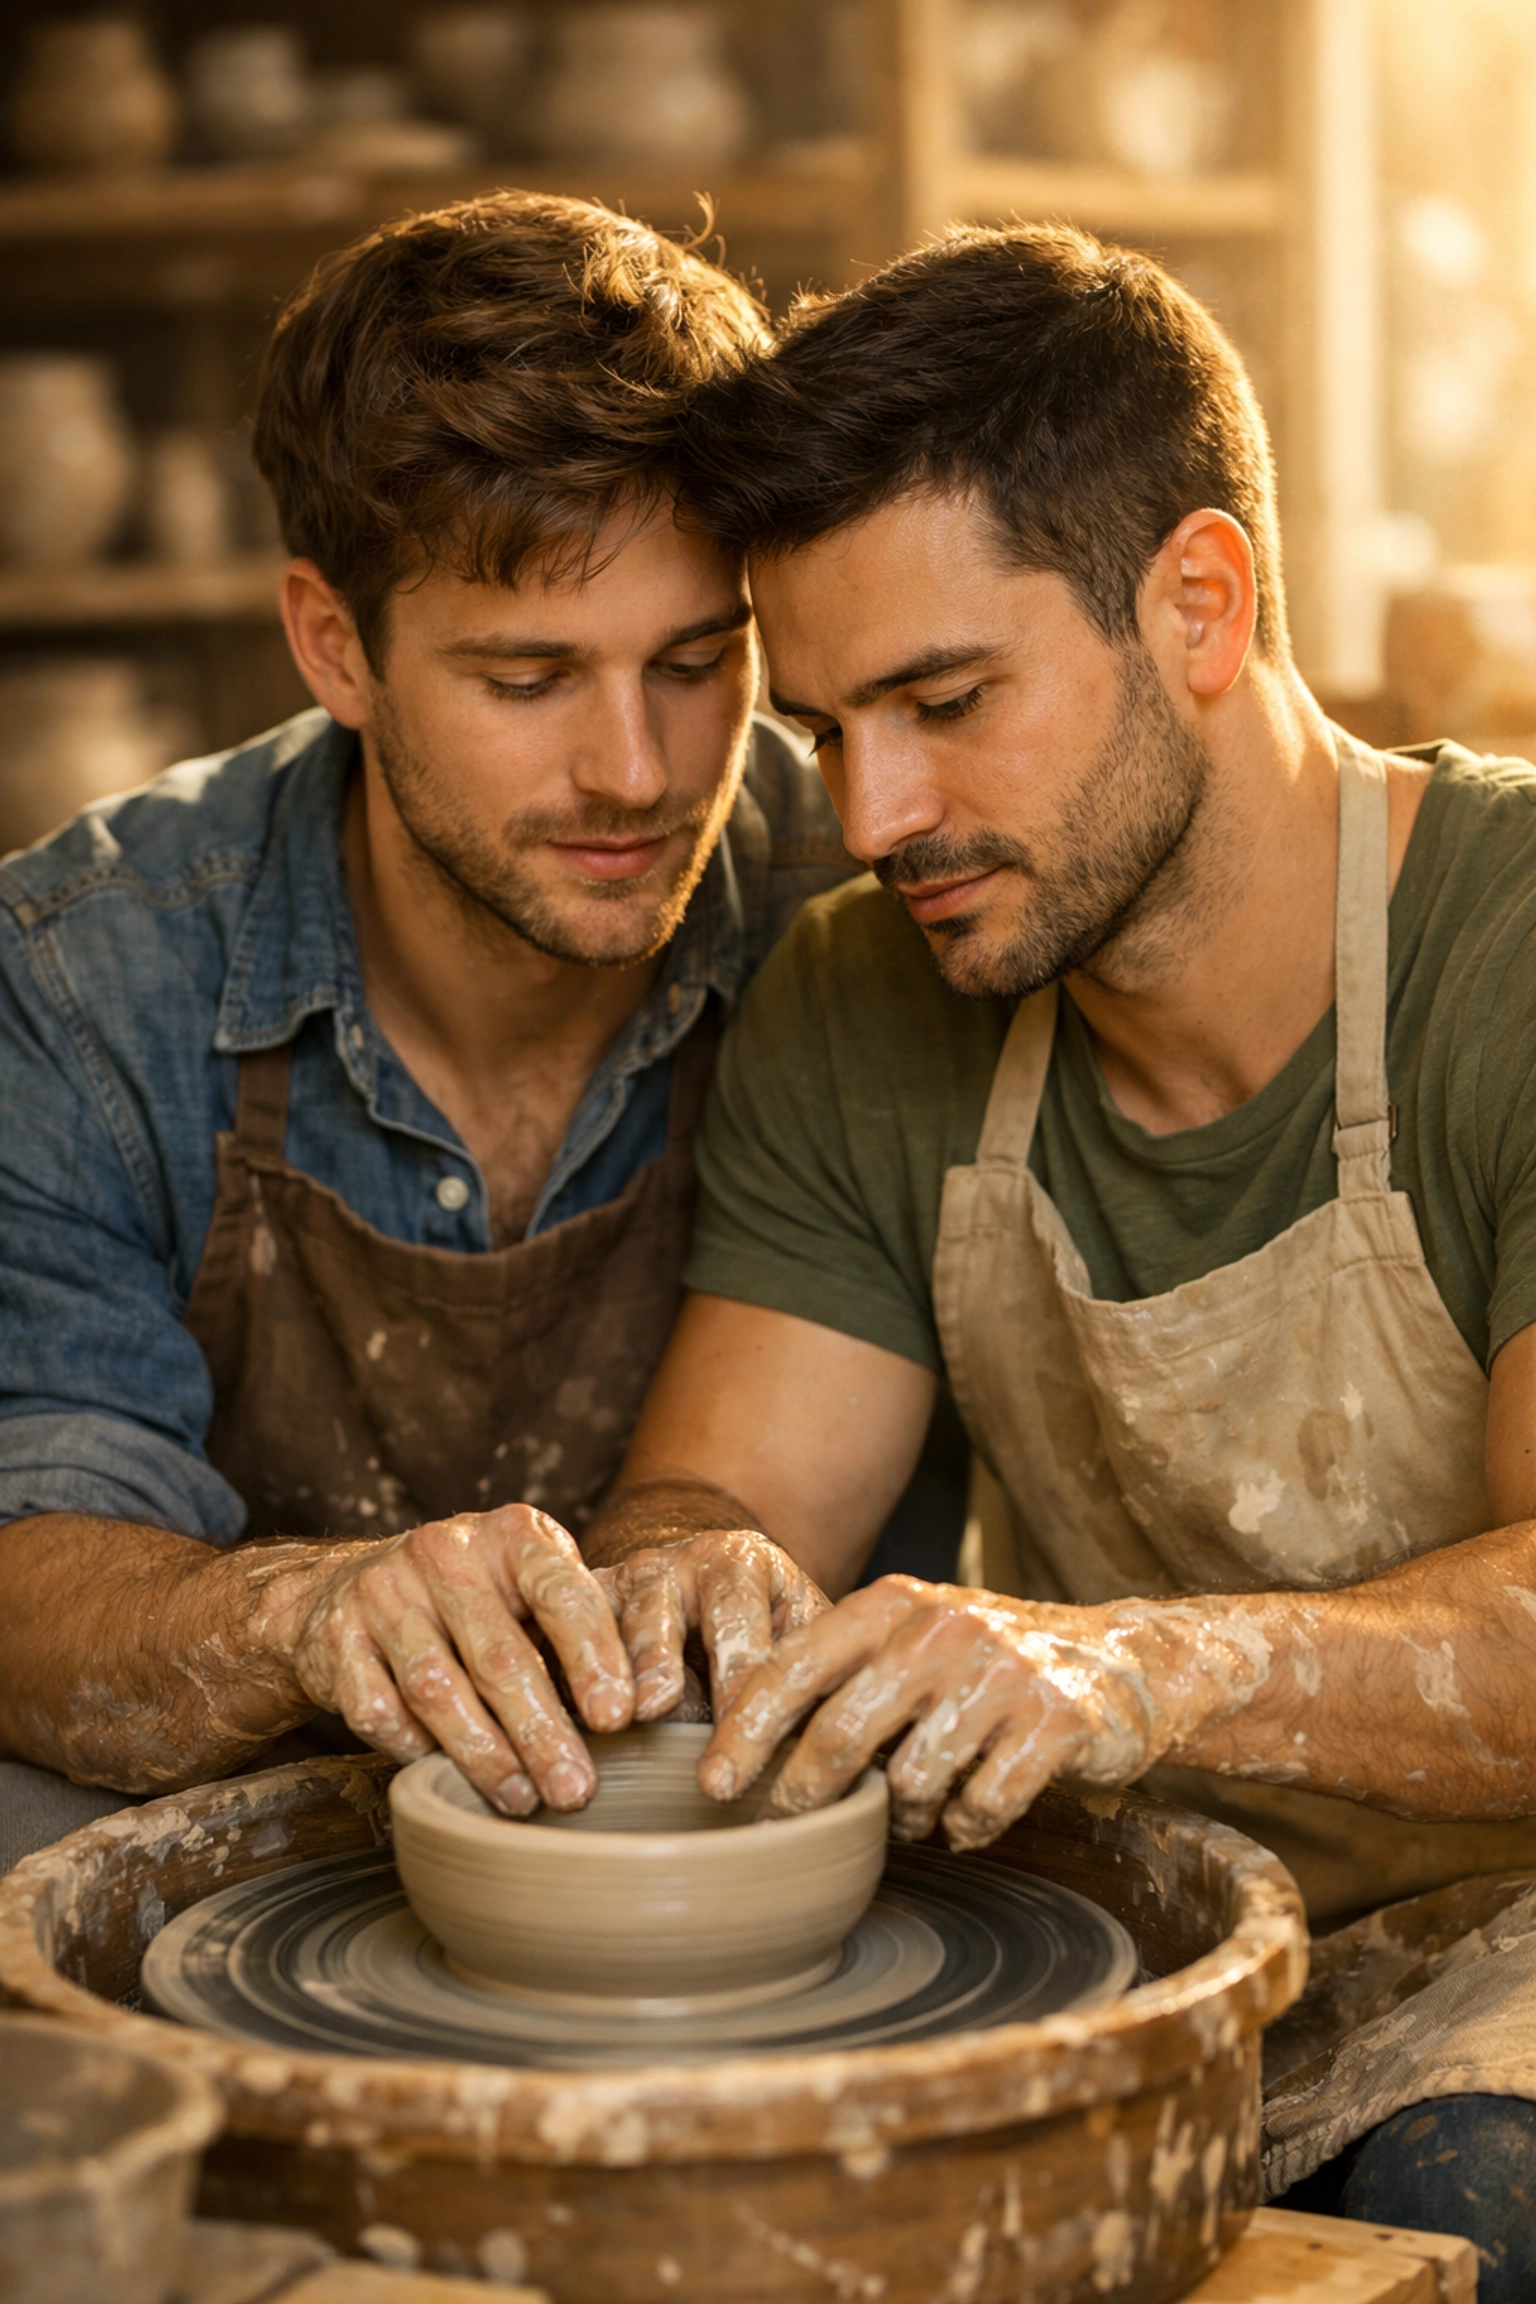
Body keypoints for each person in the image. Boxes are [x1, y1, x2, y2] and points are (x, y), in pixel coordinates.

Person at [584, 225, 1536, 2292]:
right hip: (1179, 1936)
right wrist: (696, 1584)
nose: (871, 814)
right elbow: (729, 1492)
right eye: (828, 728)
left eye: (943, 703)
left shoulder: (1515, 946)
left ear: (1199, 599)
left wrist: (1130, 1660)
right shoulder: (866, 996)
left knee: (1469, 2209)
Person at [0, 192, 838, 1870]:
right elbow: (34, 1560)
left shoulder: (855, 901)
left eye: (695, 660)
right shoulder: (95, 974)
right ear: (337, 646)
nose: (639, 770)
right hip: (265, 1814)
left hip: (732, 1823)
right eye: (528, 680)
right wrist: (299, 1615)